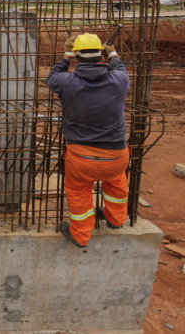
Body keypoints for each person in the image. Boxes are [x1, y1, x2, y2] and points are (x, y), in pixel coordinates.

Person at [46, 33, 130, 248]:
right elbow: (119, 67)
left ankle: (81, 235)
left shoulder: (66, 82)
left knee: (79, 192)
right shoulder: (119, 81)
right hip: (116, 158)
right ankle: (115, 219)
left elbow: (52, 76)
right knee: (117, 181)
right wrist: (113, 53)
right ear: (101, 55)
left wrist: (65, 55)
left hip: (81, 159)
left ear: (77, 57)